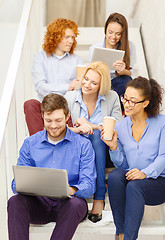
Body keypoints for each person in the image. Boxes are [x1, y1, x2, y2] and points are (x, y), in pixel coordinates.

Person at [8, 94, 96, 240]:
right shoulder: (30, 143)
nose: (53, 126)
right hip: (40, 204)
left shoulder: (83, 145)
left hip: (69, 204)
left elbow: (89, 185)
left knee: (74, 205)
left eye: (58, 120)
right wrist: (25, 185)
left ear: (67, 117)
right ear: (42, 116)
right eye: (48, 120)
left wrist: (72, 189)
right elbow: (16, 185)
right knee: (15, 202)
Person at [101, 76, 165, 240]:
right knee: (115, 176)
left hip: (159, 182)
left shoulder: (162, 123)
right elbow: (123, 165)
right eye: (125, 98)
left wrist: (145, 173)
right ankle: (121, 233)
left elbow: (163, 157)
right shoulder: (121, 126)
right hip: (134, 179)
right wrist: (114, 147)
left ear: (146, 103)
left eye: (132, 101)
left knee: (134, 186)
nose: (126, 103)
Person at [64, 61, 122, 223]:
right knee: (90, 138)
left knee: (96, 136)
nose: (87, 84)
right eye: (86, 79)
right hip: (77, 147)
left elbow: (119, 125)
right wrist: (79, 128)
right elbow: (60, 127)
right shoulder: (70, 97)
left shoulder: (111, 97)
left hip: (103, 148)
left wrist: (93, 126)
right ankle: (95, 193)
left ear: (101, 85)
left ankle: (99, 196)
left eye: (93, 82)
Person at [24, 18, 83, 135]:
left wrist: (74, 86)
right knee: (30, 104)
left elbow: (78, 87)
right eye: (67, 37)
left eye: (73, 37)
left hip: (66, 107)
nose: (71, 41)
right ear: (55, 37)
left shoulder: (77, 60)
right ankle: (40, 145)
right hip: (45, 105)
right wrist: (67, 86)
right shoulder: (39, 58)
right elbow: (40, 87)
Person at [89, 12, 136, 101]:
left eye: (118, 34)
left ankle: (110, 105)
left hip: (118, 84)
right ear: (105, 29)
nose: (113, 37)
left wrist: (122, 70)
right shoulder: (95, 48)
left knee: (126, 80)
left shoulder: (130, 47)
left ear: (123, 33)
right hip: (100, 82)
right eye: (110, 32)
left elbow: (130, 73)